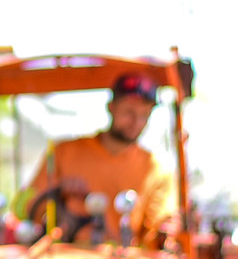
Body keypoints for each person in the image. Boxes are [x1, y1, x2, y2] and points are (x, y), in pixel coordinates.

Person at [24, 72, 176, 245]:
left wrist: (166, 233)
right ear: (111, 107)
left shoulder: (156, 169)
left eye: (144, 115)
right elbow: (27, 207)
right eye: (129, 112)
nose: (136, 122)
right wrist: (59, 190)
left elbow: (156, 238)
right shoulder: (64, 152)